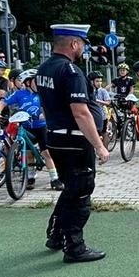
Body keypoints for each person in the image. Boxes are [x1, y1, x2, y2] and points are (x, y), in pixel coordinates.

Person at [36, 24, 111, 263]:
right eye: (83, 43)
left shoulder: (44, 68)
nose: (84, 48)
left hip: (56, 137)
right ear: (74, 44)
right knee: (80, 193)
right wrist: (99, 145)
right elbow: (81, 113)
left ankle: (56, 234)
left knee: (70, 187)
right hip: (75, 141)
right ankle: (74, 246)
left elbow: (47, 105)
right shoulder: (71, 71)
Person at [0, 67, 60, 190]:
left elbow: (49, 109)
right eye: (35, 81)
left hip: (41, 127)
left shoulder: (43, 94)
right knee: (28, 152)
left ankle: (54, 178)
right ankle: (31, 177)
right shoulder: (19, 94)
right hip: (25, 126)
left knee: (46, 153)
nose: (39, 84)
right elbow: (3, 102)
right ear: (27, 82)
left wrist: (43, 116)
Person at [87, 72, 114, 144]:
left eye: (100, 81)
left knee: (103, 133)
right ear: (91, 81)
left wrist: (98, 101)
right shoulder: (88, 91)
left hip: (102, 115)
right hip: (91, 115)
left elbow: (108, 102)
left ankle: (105, 151)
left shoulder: (103, 91)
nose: (99, 83)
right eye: (97, 81)